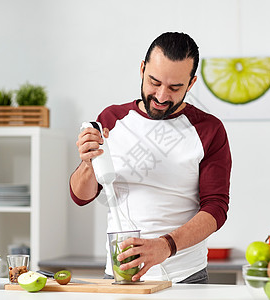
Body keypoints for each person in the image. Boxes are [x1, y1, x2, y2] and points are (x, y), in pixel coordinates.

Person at [70, 32, 232, 284]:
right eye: (154, 82)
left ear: (191, 84)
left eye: (175, 87)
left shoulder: (209, 129)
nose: (161, 96)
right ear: (142, 68)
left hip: (184, 277)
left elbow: (216, 208)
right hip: (119, 276)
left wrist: (166, 246)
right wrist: (88, 162)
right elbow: (81, 196)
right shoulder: (112, 119)